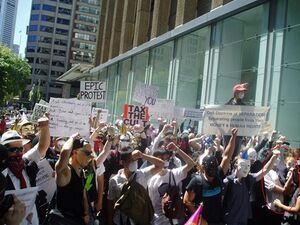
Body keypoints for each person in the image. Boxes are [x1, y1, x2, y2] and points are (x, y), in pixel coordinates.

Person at [0, 116, 50, 225]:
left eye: (20, 149)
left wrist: (45, 127)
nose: (18, 153)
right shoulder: (2, 175)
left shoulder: (26, 162)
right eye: (13, 150)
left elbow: (42, 147)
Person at [183, 128, 238, 225]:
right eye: (210, 169)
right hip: (203, 222)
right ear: (203, 167)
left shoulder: (219, 174)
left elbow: (227, 156)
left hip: (217, 220)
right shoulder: (196, 181)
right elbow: (187, 201)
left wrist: (233, 137)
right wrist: (199, 218)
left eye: (214, 168)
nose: (212, 172)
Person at [107, 147, 164, 225]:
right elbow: (111, 202)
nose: (133, 163)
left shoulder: (142, 174)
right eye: (130, 161)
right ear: (122, 162)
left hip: (140, 219)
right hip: (121, 220)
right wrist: (109, 221)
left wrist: (142, 155)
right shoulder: (114, 180)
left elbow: (161, 165)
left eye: (135, 160)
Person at [222, 149, 280, 225]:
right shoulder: (227, 182)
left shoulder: (248, 179)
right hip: (230, 221)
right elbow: (220, 202)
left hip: (243, 220)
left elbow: (264, 170)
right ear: (235, 165)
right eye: (243, 165)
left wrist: (274, 157)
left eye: (248, 166)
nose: (246, 168)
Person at [147, 142, 195, 225]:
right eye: (159, 159)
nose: (162, 161)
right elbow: (151, 204)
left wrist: (177, 149)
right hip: (158, 221)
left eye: (164, 158)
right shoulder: (150, 179)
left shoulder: (174, 174)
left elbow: (191, 164)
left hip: (175, 219)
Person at [55, 134, 93, 225]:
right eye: (88, 153)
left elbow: (83, 196)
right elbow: (64, 154)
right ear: (75, 152)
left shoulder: (82, 172)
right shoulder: (66, 172)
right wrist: (71, 138)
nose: (91, 157)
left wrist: (86, 213)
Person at [224, 83, 248, 159]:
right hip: (228, 134)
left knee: (235, 155)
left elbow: (247, 119)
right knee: (227, 154)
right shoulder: (227, 105)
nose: (242, 94)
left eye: (243, 92)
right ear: (236, 93)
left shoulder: (244, 106)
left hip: (239, 134)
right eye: (241, 92)